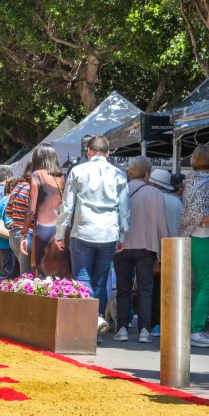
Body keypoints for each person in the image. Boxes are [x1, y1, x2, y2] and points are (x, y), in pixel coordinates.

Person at [55, 135, 130, 334]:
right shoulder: (119, 174)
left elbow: (67, 206)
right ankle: (96, 323)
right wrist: (122, 236)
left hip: (83, 231)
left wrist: (60, 233)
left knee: (82, 278)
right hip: (109, 233)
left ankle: (88, 324)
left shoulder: (77, 171)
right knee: (100, 281)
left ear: (88, 151)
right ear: (108, 153)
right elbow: (124, 209)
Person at [112, 157, 169, 344]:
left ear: (129, 172)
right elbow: (161, 224)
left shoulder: (119, 190)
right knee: (146, 289)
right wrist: (164, 251)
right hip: (147, 246)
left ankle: (122, 328)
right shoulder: (155, 193)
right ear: (147, 174)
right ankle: (145, 330)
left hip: (121, 246)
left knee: (123, 288)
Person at [179, 145, 209, 348]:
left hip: (194, 237)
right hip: (204, 236)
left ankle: (195, 329)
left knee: (201, 284)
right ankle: (196, 330)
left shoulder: (191, 181)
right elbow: (205, 217)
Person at [19, 144, 66, 276]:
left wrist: (23, 234)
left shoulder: (37, 175)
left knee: (43, 273)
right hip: (60, 230)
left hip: (43, 230)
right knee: (59, 275)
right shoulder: (61, 177)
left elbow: (31, 210)